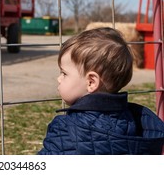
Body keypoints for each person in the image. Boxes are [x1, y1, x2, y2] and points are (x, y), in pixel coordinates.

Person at [38, 27, 164, 155]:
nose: (59, 79)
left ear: (91, 82)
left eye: (64, 73)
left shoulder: (66, 130)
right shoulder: (136, 123)